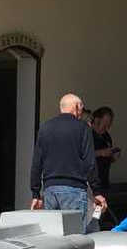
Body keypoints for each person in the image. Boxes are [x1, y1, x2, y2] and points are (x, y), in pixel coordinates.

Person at [28, 93, 104, 231]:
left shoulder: (45, 128)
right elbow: (90, 163)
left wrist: (35, 193)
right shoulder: (83, 128)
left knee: (53, 235)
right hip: (74, 189)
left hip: (50, 189)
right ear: (76, 107)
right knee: (75, 238)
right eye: (81, 108)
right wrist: (96, 191)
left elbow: (36, 163)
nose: (81, 113)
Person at [90, 106, 119, 193]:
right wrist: (100, 153)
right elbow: (80, 155)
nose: (107, 127)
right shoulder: (87, 134)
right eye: (105, 124)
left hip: (104, 182)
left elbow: (107, 158)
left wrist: (113, 157)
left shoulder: (106, 136)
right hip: (91, 183)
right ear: (96, 120)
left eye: (109, 124)